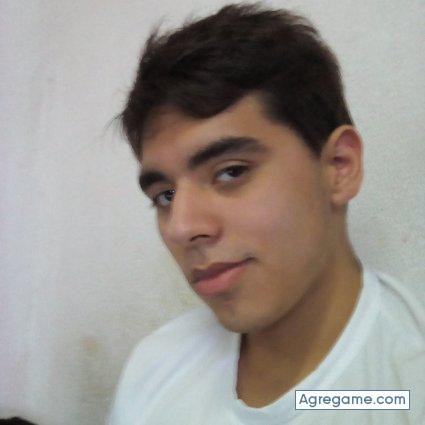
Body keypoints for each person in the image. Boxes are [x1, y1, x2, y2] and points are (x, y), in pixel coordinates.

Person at [108, 3, 425, 424]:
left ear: (339, 167)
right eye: (165, 196)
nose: (181, 227)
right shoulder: (153, 369)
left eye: (230, 172)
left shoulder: (402, 390)